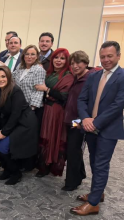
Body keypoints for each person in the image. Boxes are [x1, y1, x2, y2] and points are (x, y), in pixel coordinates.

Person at [70, 41, 124, 216]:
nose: (106, 59)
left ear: (118, 56)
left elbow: (117, 106)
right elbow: (82, 99)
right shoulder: (94, 76)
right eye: (102, 56)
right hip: (89, 125)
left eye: (109, 56)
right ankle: (97, 193)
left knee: (101, 164)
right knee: (93, 161)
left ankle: (93, 204)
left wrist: (95, 122)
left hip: (107, 129)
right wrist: (85, 118)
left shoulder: (122, 77)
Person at [0, 66, 38, 185]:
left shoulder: (15, 90)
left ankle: (16, 173)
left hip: (25, 123)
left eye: (3, 76)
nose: (0, 79)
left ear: (8, 77)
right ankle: (7, 170)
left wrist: (3, 133)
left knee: (3, 146)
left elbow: (16, 114)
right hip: (12, 122)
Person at [62, 51, 99, 191]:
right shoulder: (76, 78)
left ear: (85, 63)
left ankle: (71, 182)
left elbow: (89, 104)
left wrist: (79, 122)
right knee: (74, 150)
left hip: (79, 121)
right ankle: (80, 174)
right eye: (72, 63)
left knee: (73, 150)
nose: (75, 66)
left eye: (78, 63)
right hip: (71, 119)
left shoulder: (90, 79)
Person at [35, 48, 74, 177]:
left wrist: (46, 89)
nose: (58, 60)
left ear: (66, 61)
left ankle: (49, 164)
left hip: (57, 111)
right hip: (46, 108)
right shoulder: (49, 73)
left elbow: (63, 96)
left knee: (52, 137)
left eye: (62, 58)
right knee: (44, 135)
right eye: (56, 58)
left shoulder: (68, 76)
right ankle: (43, 164)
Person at [12, 45, 46, 122]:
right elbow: (11, 77)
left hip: (31, 109)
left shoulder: (39, 69)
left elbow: (38, 92)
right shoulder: (20, 66)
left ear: (37, 56)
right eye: (27, 54)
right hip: (19, 106)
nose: (29, 57)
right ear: (23, 55)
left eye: (32, 54)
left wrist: (31, 109)